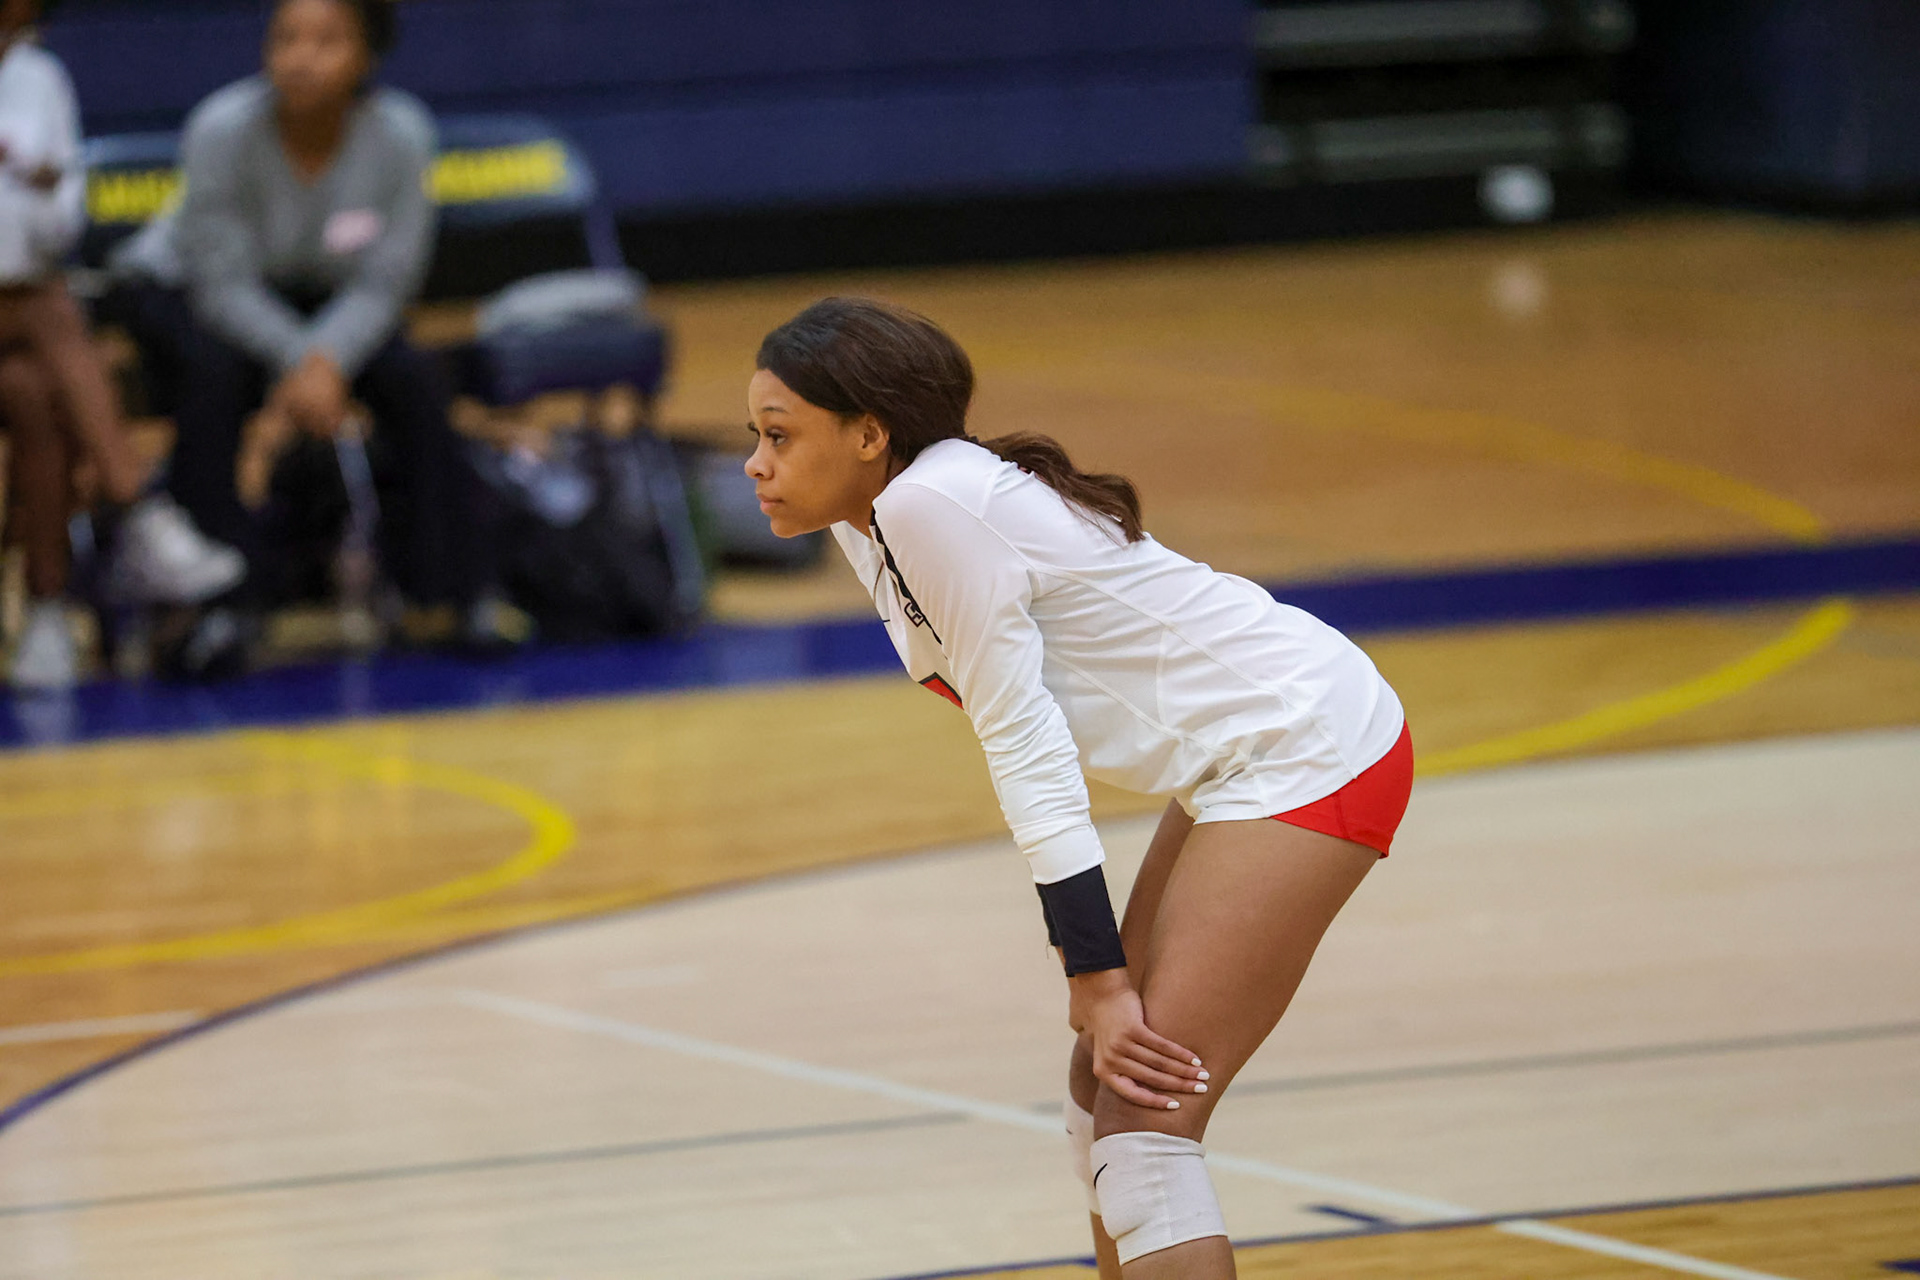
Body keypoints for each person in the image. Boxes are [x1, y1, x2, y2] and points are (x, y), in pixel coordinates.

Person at [744, 298, 1413, 1279]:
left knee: (1143, 1129)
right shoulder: (878, 514)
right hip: (1248, 748)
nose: (754, 464)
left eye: (776, 435)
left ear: (868, 434)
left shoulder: (928, 506)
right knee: (1100, 1091)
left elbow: (1028, 748)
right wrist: (1096, 986)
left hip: (1307, 741)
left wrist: (1095, 973)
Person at [159, 0, 506, 666]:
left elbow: (387, 283)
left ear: (367, 56)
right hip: (219, 299)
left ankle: (453, 592)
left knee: (413, 377)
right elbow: (221, 284)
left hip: (341, 305)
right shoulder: (221, 130)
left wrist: (324, 357)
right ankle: (221, 598)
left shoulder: (400, 134)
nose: (301, 56)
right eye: (285, 38)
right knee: (211, 380)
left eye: (326, 40)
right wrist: (307, 362)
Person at [0, 0, 245, 689]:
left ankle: (47, 616)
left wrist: (37, 186)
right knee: (51, 314)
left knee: (32, 394)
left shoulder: (38, 78)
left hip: (16, 323)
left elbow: (59, 226)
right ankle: (134, 506)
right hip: (30, 310)